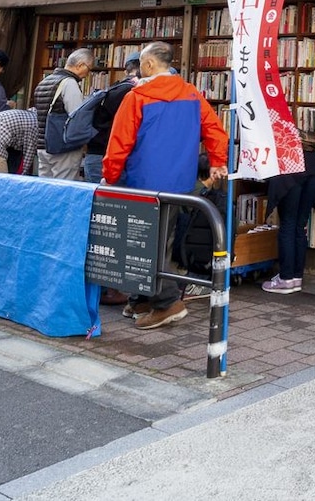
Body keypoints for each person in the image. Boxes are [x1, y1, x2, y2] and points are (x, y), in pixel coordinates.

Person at [103, 44, 229, 329]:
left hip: (143, 182)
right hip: (180, 182)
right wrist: (217, 161)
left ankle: (167, 301)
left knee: (142, 243)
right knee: (163, 240)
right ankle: (141, 298)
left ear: (147, 65)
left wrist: (110, 177)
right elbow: (215, 131)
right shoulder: (193, 94)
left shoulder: (136, 97)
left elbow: (119, 143)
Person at [262, 134, 315, 294]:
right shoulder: (314, 155)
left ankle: (286, 279)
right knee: (299, 226)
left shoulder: (287, 151)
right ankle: (296, 278)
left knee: (287, 226)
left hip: (291, 177)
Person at [32, 49, 94, 180]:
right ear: (80, 65)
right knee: (63, 190)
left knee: (45, 188)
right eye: (89, 69)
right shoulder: (69, 83)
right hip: (62, 147)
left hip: (42, 145)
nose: (87, 74)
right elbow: (76, 117)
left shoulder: (44, 81)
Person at [79, 57, 142, 182]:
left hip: (95, 152)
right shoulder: (132, 93)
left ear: (125, 72)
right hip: (108, 158)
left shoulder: (114, 88)